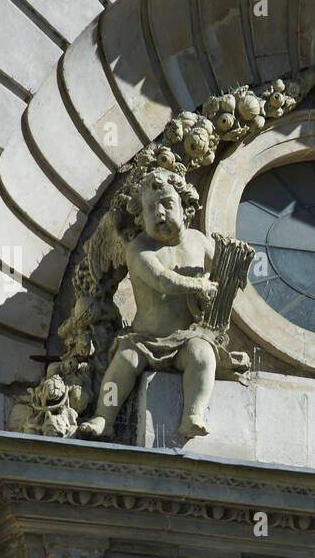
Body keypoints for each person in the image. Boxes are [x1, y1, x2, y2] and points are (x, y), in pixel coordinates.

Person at [77, 165, 236, 442]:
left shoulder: (199, 242)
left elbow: (224, 274)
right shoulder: (139, 249)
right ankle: (105, 416)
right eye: (151, 209)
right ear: (140, 217)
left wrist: (231, 276)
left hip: (186, 337)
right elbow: (163, 280)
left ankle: (192, 415)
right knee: (123, 363)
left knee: (203, 357)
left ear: (185, 206)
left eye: (166, 204)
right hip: (145, 339)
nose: (159, 213)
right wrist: (199, 284)